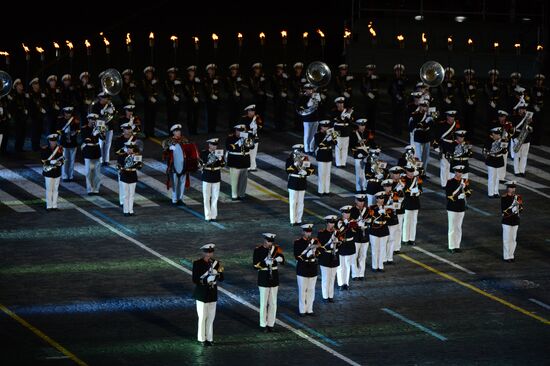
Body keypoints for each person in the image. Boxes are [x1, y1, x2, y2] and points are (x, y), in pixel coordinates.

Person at [192, 243, 224, 346]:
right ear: (203, 252)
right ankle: (201, 339)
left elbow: (222, 278)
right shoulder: (197, 263)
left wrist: (217, 275)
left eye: (211, 252)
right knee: (202, 317)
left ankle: (209, 338)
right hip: (202, 293)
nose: (209, 254)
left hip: (212, 293)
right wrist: (206, 279)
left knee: (211, 317)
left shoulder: (217, 263)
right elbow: (195, 280)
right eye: (207, 252)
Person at [253, 233, 285, 332]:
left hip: (274, 277)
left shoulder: (276, 249)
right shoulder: (258, 250)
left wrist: (276, 260)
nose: (270, 243)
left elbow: (283, 260)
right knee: (263, 303)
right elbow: (255, 266)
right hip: (263, 277)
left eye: (271, 241)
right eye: (268, 241)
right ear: (265, 240)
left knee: (273, 303)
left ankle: (271, 324)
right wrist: (264, 263)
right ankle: (263, 324)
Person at [294, 223, 319, 316]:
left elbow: (319, 253)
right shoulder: (298, 242)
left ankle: (310, 309)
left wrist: (315, 251)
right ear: (303, 232)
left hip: (312, 268)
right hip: (302, 268)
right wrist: (307, 251)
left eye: (310, 232)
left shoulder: (315, 241)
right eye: (307, 232)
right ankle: (302, 310)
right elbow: (297, 256)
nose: (308, 234)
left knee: (311, 290)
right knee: (302, 290)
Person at [286, 144, 314, 226]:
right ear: (294, 150)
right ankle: (292, 220)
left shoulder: (305, 159)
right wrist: (294, 165)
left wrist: (307, 172)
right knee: (293, 202)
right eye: (298, 150)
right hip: (293, 181)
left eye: (301, 150)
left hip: (302, 181)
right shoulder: (290, 159)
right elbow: (287, 170)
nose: (300, 152)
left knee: (301, 202)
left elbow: (312, 169)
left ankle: (298, 220)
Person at [446, 166, 472, 253]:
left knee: (458, 227)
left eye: (461, 172)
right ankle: (451, 246)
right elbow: (448, 195)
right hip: (452, 207)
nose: (460, 173)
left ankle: (457, 245)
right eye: (458, 172)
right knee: (452, 227)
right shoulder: (450, 182)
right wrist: (457, 197)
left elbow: (468, 193)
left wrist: (465, 192)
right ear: (455, 172)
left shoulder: (464, 181)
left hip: (461, 207)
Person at [162, 124, 190, 205]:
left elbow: (189, 150)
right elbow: (164, 151)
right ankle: (174, 199)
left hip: (183, 164)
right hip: (173, 164)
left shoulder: (184, 140)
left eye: (179, 131)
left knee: (182, 182)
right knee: (174, 182)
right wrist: (169, 148)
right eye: (177, 131)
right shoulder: (168, 141)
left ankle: (180, 198)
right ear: (173, 132)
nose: (179, 132)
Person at [200, 138, 225, 222]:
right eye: (213, 144)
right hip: (207, 175)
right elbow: (200, 165)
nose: (215, 146)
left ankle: (214, 215)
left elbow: (223, 165)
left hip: (216, 176)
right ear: (209, 145)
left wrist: (221, 159)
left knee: (215, 197)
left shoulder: (219, 153)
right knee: (206, 197)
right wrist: (208, 161)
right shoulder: (204, 153)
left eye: (216, 145)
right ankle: (207, 216)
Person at [317, 215, 340, 302]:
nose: (332, 224)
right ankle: (325, 296)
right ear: (327, 223)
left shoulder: (337, 233)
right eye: (330, 222)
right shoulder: (322, 233)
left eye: (333, 222)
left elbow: (340, 244)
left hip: (334, 257)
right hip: (325, 258)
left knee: (332, 278)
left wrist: (338, 243)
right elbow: (320, 246)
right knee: (326, 278)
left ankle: (330, 296)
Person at [89, 92, 116, 166]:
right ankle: (100, 160)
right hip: (100, 126)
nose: (105, 99)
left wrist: (111, 111)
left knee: (108, 143)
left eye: (106, 98)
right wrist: (100, 113)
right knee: (101, 144)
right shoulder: (96, 106)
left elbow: (114, 113)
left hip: (109, 125)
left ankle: (106, 160)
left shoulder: (110, 105)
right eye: (104, 98)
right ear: (100, 98)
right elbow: (93, 116)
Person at [117, 141, 143, 216]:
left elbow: (139, 167)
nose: (130, 150)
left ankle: (131, 210)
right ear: (126, 148)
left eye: (131, 148)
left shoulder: (136, 156)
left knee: (132, 194)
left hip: (133, 175)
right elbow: (118, 165)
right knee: (126, 194)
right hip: (125, 175)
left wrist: (139, 163)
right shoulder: (122, 156)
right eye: (128, 148)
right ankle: (125, 211)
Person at [225, 124, 251, 200]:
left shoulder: (247, 138)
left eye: (242, 131)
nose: (240, 132)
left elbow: (251, 146)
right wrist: (239, 144)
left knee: (243, 180)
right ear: (236, 131)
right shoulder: (231, 138)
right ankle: (234, 195)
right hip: (235, 161)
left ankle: (242, 194)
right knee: (234, 180)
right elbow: (229, 147)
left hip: (244, 161)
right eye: (239, 131)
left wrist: (246, 139)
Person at [368, 191, 392, 272]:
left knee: (382, 248)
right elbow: (370, 219)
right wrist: (378, 213)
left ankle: (380, 266)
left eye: (382, 198)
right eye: (379, 198)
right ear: (377, 199)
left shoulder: (386, 207)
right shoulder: (372, 207)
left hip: (384, 229)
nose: (381, 200)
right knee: (375, 249)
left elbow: (390, 218)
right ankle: (375, 266)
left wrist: (384, 213)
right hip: (374, 229)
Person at [80, 113, 103, 194]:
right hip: (88, 150)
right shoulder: (84, 128)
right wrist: (93, 134)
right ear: (88, 120)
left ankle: (96, 189)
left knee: (97, 172)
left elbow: (103, 138)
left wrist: (101, 132)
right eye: (92, 119)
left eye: (95, 120)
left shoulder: (97, 128)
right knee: (88, 172)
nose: (93, 121)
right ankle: (90, 189)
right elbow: (86, 140)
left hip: (96, 150)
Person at [336, 205, 357, 290]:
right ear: (342, 213)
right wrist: (346, 225)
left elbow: (355, 232)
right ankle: (340, 283)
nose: (347, 215)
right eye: (345, 213)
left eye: (348, 213)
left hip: (350, 244)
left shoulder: (353, 222)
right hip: (341, 244)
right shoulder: (339, 222)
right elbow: (339, 232)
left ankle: (346, 283)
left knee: (347, 265)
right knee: (341, 266)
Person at [501, 181, 523, 262]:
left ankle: (511, 255)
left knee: (513, 240)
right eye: (511, 187)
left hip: (515, 221)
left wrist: (518, 208)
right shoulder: (504, 197)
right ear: (508, 188)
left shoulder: (518, 197)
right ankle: (506, 256)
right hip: (507, 221)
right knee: (506, 239)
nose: (513, 189)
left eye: (514, 187)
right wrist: (513, 209)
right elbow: (504, 210)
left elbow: (521, 209)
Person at [408, 100, 433, 174]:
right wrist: (425, 122)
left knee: (426, 157)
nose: (424, 107)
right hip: (418, 137)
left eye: (425, 106)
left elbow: (433, 126)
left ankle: (423, 173)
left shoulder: (430, 115)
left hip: (427, 137)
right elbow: (412, 126)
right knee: (418, 156)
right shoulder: (415, 114)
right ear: (420, 106)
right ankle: (417, 172)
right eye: (422, 106)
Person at [510, 98, 533, 177]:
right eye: (520, 109)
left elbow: (532, 129)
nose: (522, 111)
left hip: (526, 139)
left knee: (524, 156)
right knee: (516, 156)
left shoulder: (529, 118)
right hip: (517, 138)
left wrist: (530, 123)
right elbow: (511, 129)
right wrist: (513, 139)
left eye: (523, 109)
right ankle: (516, 171)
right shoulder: (514, 118)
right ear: (518, 109)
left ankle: (522, 171)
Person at [41, 134, 64, 211]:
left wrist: (60, 163)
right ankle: (49, 206)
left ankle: (54, 206)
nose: (53, 143)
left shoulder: (59, 149)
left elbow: (62, 159)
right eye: (51, 141)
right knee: (49, 189)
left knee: (55, 189)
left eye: (54, 141)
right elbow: (43, 161)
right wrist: (52, 162)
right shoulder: (45, 149)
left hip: (57, 171)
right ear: (49, 141)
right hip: (49, 172)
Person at [297, 83, 321, 154]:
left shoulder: (315, 96)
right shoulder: (303, 97)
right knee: (307, 135)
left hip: (315, 118)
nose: (310, 91)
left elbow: (320, 107)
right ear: (305, 90)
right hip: (307, 118)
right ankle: (306, 149)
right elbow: (299, 107)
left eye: (311, 89)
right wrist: (307, 105)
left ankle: (311, 148)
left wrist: (319, 100)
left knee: (314, 135)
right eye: (308, 89)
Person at [350, 118, 372, 193]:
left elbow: (372, 142)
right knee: (359, 172)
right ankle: (359, 188)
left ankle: (365, 187)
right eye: (361, 125)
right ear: (358, 126)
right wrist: (355, 152)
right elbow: (351, 145)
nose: (362, 127)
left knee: (366, 172)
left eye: (364, 125)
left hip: (367, 154)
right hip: (358, 154)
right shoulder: (354, 133)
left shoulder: (368, 132)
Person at [57, 106, 79, 182]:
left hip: (73, 142)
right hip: (64, 143)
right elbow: (58, 131)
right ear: (64, 113)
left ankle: (71, 176)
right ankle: (65, 176)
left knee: (72, 160)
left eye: (69, 113)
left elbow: (78, 130)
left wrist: (74, 132)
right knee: (65, 160)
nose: (68, 115)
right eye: (66, 113)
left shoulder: (75, 120)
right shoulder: (60, 120)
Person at [402, 165, 422, 246]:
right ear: (406, 171)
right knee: (407, 221)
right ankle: (405, 239)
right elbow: (404, 190)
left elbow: (421, 188)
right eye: (409, 171)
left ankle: (412, 239)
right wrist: (411, 192)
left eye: (412, 171)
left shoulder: (417, 179)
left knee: (414, 221)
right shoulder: (403, 179)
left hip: (415, 202)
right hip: (407, 202)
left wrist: (418, 192)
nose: (411, 173)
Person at [350, 194, 369, 280]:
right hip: (356, 236)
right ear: (355, 201)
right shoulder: (352, 210)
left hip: (365, 235)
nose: (361, 203)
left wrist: (368, 221)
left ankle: (361, 274)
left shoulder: (367, 210)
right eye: (359, 201)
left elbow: (371, 220)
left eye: (362, 201)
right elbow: (350, 223)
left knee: (363, 256)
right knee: (354, 256)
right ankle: (354, 274)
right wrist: (357, 223)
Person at [484, 127, 507, 198]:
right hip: (491, 159)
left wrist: (503, 144)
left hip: (499, 159)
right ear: (492, 134)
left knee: (497, 177)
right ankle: (490, 193)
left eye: (498, 134)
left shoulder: (502, 140)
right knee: (491, 177)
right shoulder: (489, 141)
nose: (497, 135)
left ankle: (496, 192)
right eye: (496, 134)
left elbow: (504, 150)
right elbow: (485, 150)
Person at [315, 120, 336, 195]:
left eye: (327, 126)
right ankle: (320, 191)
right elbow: (319, 145)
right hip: (322, 154)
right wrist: (328, 140)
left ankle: (327, 191)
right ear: (321, 127)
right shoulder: (317, 135)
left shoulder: (330, 133)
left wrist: (333, 136)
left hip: (328, 154)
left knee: (328, 174)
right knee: (322, 174)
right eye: (324, 126)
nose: (326, 128)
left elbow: (335, 143)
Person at [331, 97, 353, 167]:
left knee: (345, 148)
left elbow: (351, 122)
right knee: (338, 147)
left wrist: (349, 117)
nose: (341, 104)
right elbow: (334, 120)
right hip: (337, 130)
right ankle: (338, 163)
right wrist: (342, 117)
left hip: (346, 130)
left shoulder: (347, 111)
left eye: (342, 103)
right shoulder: (334, 111)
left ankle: (343, 163)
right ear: (336, 104)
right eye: (339, 103)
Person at [382, 179, 400, 264]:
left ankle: (390, 257)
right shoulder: (380, 196)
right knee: (385, 240)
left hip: (393, 219)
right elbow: (380, 207)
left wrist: (391, 206)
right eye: (387, 186)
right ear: (384, 187)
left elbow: (397, 205)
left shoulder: (394, 194)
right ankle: (383, 258)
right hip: (385, 220)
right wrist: (389, 206)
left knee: (392, 239)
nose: (389, 188)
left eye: (390, 186)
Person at [240, 105, 263, 171]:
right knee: (247, 152)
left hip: (254, 137)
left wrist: (256, 127)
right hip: (246, 136)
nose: (252, 113)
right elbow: (240, 127)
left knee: (254, 153)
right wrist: (249, 128)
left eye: (253, 111)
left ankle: (253, 166)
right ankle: (247, 166)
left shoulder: (257, 117)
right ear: (248, 111)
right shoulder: (243, 118)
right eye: (251, 111)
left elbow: (260, 126)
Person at [9, 78, 29, 152]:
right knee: (18, 133)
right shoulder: (14, 95)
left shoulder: (24, 94)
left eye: (21, 84)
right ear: (16, 86)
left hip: (24, 117)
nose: (21, 86)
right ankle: (17, 148)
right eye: (19, 85)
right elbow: (13, 107)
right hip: (18, 117)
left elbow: (26, 104)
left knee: (23, 133)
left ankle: (21, 147)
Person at [28, 78, 48, 151]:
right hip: (34, 116)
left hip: (40, 116)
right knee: (34, 132)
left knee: (39, 131)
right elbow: (31, 106)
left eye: (38, 84)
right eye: (35, 84)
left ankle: (37, 145)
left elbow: (44, 103)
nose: (37, 85)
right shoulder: (31, 94)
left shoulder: (40, 93)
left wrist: (44, 98)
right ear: (33, 85)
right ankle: (34, 147)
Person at [141, 66, 160, 137]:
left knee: (153, 118)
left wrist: (155, 97)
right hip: (147, 102)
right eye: (148, 73)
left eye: (151, 73)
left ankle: (152, 132)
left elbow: (157, 89)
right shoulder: (144, 81)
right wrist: (149, 97)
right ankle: (146, 133)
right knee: (147, 118)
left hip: (154, 101)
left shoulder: (155, 80)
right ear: (146, 74)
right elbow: (144, 91)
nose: (149, 74)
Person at [388, 64, 407, 135]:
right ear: (395, 72)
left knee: (400, 117)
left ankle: (399, 131)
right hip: (394, 100)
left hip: (402, 100)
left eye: (400, 71)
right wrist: (394, 95)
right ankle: (393, 130)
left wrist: (402, 97)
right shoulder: (392, 80)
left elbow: (405, 89)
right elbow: (389, 90)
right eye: (397, 71)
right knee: (394, 116)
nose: (398, 72)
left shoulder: (404, 79)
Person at [460, 69, 478, 138]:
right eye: (467, 75)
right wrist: (467, 99)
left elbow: (476, 94)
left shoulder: (474, 83)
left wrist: (473, 88)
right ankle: (464, 136)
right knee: (464, 122)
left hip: (472, 106)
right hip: (465, 106)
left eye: (470, 75)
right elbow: (462, 92)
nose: (469, 77)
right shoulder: (462, 83)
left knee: (472, 121)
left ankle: (471, 136)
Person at [203, 64, 221, 133]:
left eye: (213, 70)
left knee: (214, 115)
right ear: (208, 71)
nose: (213, 71)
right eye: (211, 70)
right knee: (209, 115)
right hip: (209, 100)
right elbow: (205, 88)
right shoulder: (205, 79)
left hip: (216, 99)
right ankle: (209, 129)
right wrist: (211, 95)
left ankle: (213, 129)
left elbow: (219, 88)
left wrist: (217, 82)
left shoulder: (216, 78)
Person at [225, 64, 244, 130]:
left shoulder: (239, 77)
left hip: (238, 98)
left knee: (238, 114)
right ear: (231, 70)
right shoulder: (228, 78)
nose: (234, 71)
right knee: (232, 114)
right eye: (233, 69)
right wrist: (233, 91)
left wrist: (238, 89)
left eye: (235, 70)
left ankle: (237, 127)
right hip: (231, 98)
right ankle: (231, 128)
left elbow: (241, 87)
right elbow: (226, 88)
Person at [271, 64, 289, 131]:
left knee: (283, 112)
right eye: (279, 69)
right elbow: (273, 87)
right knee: (277, 112)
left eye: (281, 69)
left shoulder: (285, 76)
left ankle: (282, 126)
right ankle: (277, 126)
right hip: (277, 97)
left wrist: (286, 78)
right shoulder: (274, 76)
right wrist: (279, 92)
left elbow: (287, 85)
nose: (280, 70)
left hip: (284, 97)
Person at [361, 64, 379, 130]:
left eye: (372, 70)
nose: (371, 72)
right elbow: (362, 89)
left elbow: (377, 88)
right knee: (367, 115)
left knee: (373, 116)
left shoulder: (375, 78)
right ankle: (366, 128)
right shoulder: (365, 78)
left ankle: (373, 128)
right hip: (367, 100)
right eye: (369, 70)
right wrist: (368, 94)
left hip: (374, 100)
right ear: (367, 71)